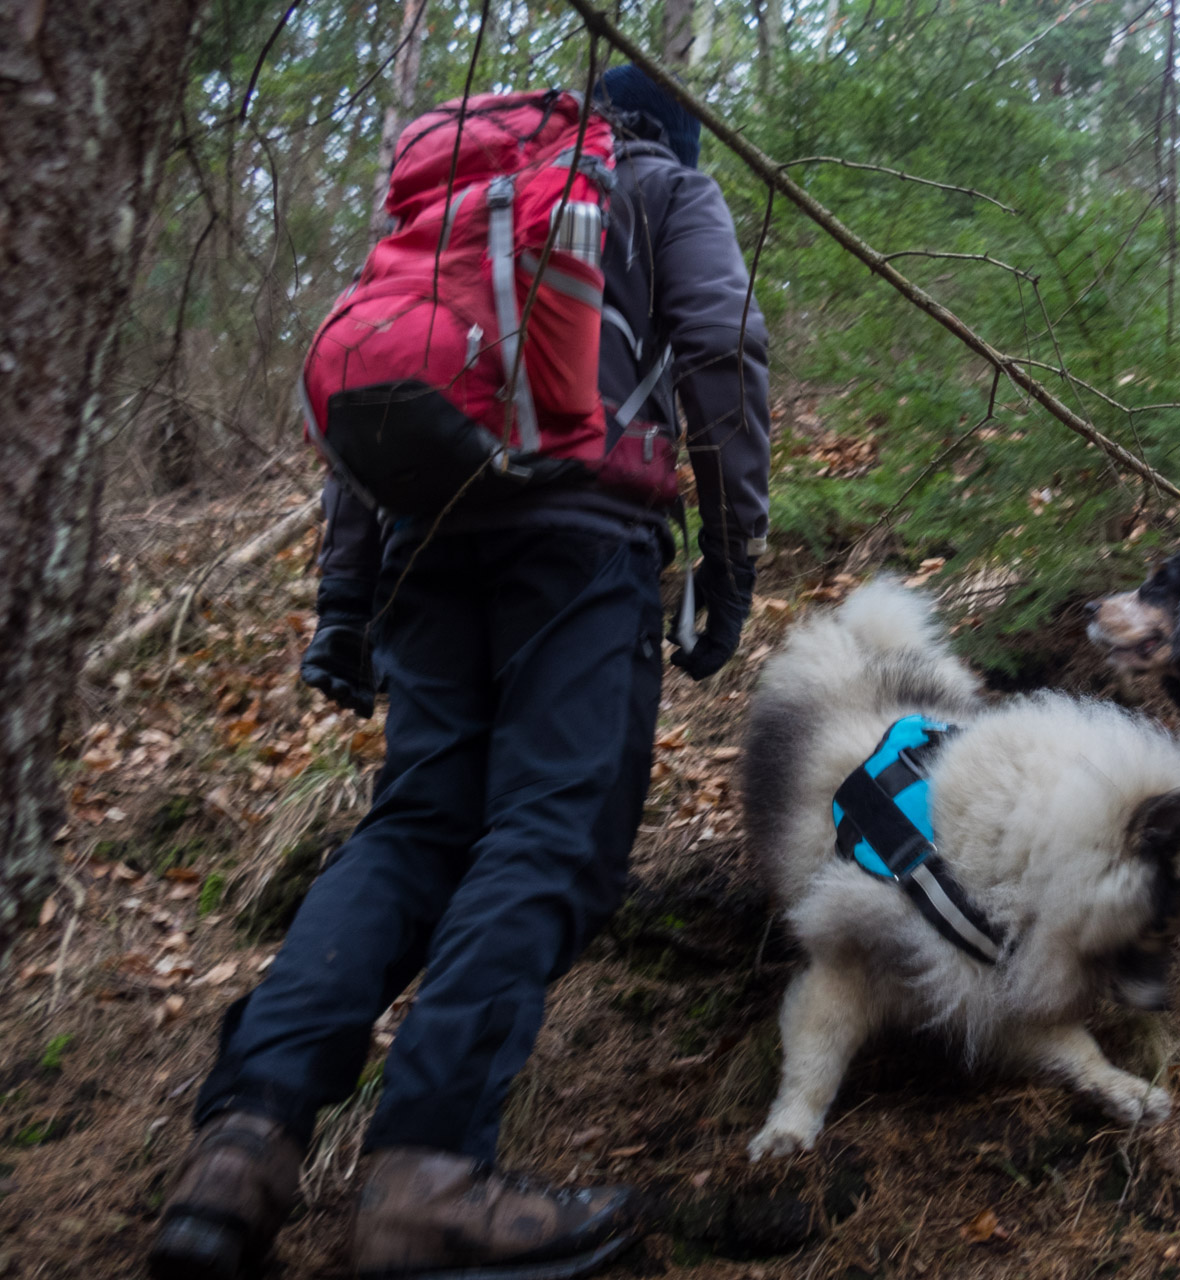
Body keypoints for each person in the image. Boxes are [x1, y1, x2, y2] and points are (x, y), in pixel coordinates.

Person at [149, 65, 771, 1280]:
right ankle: (427, 1174)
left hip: (426, 544)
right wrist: (733, 556)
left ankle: (239, 1150)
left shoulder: (463, 196)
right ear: (677, 138)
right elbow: (723, 349)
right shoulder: (655, 186)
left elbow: (384, 393)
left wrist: (343, 601)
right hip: (586, 544)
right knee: (553, 829)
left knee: (414, 827)